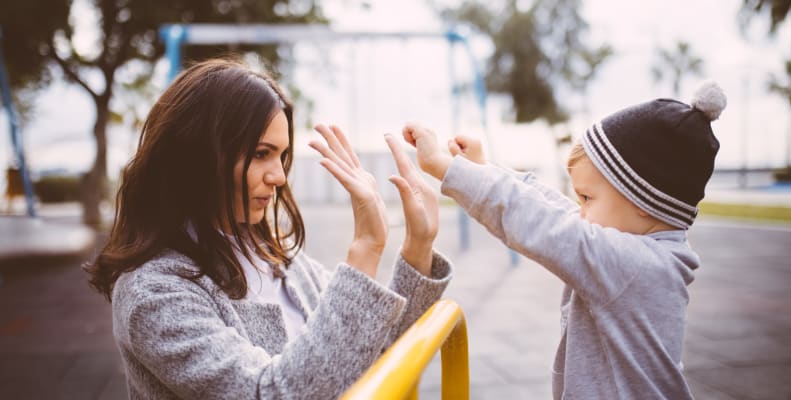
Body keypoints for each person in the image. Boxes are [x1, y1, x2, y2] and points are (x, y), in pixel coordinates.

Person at [84, 58, 451, 399]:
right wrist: (366, 248)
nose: (278, 176)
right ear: (198, 155)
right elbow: (271, 393)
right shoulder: (153, 292)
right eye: (261, 154)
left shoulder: (280, 258)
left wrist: (418, 245)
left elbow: (370, 355)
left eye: (281, 156)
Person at [402, 81, 727, 399]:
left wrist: (446, 169)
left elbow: (543, 221)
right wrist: (485, 169)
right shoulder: (645, 252)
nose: (580, 211)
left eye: (587, 197)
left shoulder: (635, 264)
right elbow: (556, 209)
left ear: (643, 202)